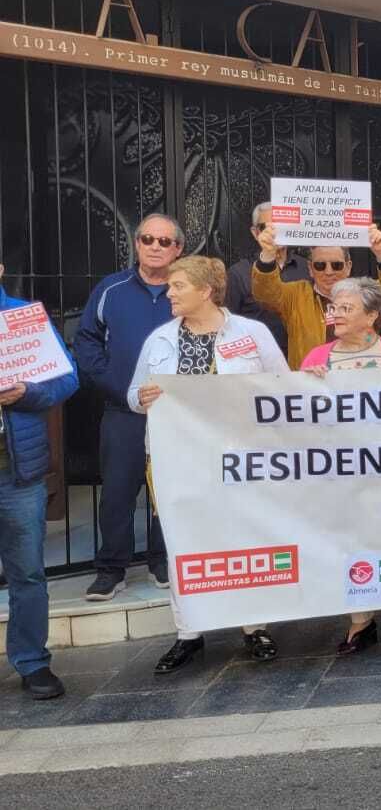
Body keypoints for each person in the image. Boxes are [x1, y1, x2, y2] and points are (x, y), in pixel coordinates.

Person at [128, 256, 289, 673]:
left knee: (245, 538)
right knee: (184, 543)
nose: (169, 293)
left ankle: (254, 627)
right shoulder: (160, 339)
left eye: (178, 285)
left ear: (205, 291)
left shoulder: (252, 333)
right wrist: (140, 398)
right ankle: (189, 633)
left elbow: (281, 385)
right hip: (177, 458)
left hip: (239, 456)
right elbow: (134, 394)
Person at [301, 277, 381, 658]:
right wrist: (307, 386)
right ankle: (359, 620)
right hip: (342, 476)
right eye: (334, 307)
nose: (336, 314)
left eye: (346, 308)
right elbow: (298, 420)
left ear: (371, 316)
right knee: (350, 542)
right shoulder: (316, 358)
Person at [75, 214, 185, 600]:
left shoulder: (187, 289)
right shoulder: (112, 288)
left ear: (178, 249)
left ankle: (162, 560)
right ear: (136, 244)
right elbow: (86, 341)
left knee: (168, 489)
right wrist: (119, 387)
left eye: (165, 241)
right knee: (117, 492)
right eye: (147, 239)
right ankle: (111, 568)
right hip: (123, 409)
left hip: (176, 413)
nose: (155, 246)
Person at [0, 264, 78, 699]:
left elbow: (68, 380)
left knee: (27, 573)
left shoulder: (25, 318)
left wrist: (27, 393)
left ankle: (32, 662)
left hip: (18, 475)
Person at [252, 221, 381, 369]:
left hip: (358, 378)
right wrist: (268, 255)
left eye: (336, 265)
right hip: (311, 381)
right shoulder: (296, 295)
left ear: (348, 267)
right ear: (310, 269)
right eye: (320, 265)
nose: (328, 272)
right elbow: (266, 294)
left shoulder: (363, 294)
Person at [225, 202, 309, 353]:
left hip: (303, 357)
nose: (274, 232)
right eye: (266, 227)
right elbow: (228, 323)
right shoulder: (238, 273)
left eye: (280, 226)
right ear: (255, 232)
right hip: (257, 358)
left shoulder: (308, 267)